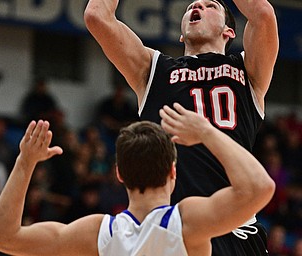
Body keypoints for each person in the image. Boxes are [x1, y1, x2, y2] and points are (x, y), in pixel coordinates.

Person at [84, 0, 279, 254]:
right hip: (179, 229)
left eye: (211, 5)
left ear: (229, 31)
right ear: (181, 33)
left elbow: (263, 13)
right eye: (190, 7)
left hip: (236, 227)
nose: (197, 5)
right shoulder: (154, 70)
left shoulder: (247, 69)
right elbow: (96, 16)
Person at [0, 111, 275, 256]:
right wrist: (207, 132)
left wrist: (25, 163)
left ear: (119, 174)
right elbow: (259, 187)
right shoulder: (186, 223)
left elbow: (2, 237)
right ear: (173, 172)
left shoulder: (97, 232)